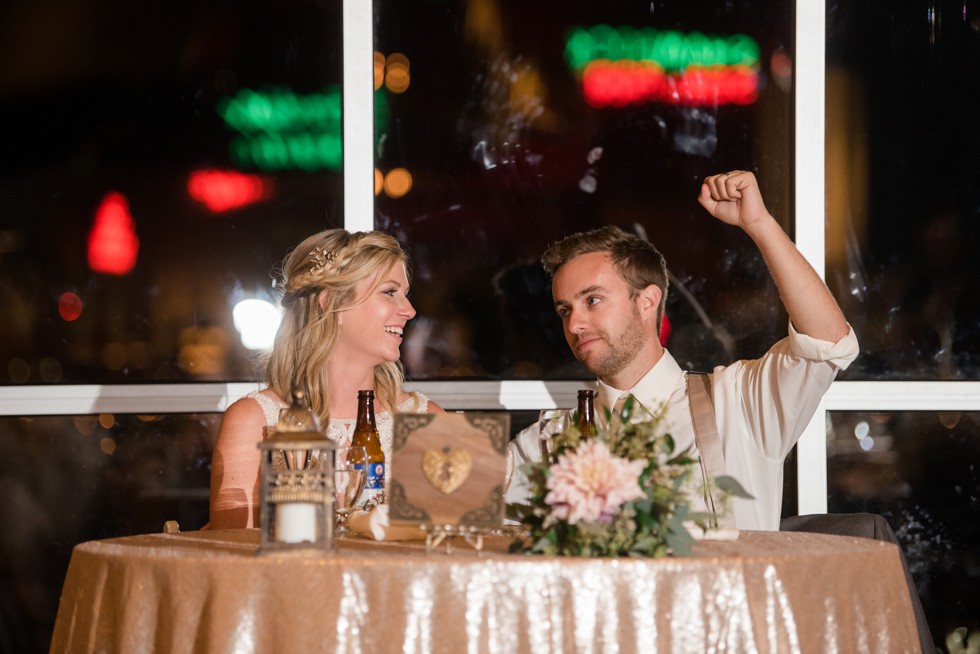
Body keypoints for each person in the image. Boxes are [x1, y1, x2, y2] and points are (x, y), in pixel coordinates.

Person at [505, 170, 860, 531]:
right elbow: (461, 489)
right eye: (565, 310)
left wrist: (759, 224)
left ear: (647, 302)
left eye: (592, 300)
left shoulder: (736, 402)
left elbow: (827, 342)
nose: (574, 324)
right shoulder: (548, 442)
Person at [209, 228, 442, 529]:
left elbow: (454, 554)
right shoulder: (254, 422)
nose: (409, 311)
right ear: (332, 302)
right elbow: (234, 555)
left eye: (405, 295)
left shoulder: (426, 422)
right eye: (390, 292)